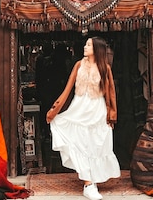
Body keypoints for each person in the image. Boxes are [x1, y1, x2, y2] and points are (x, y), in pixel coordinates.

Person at [46, 37, 120, 200]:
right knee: (78, 144)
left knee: (95, 146)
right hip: (78, 109)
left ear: (97, 49)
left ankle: (91, 183)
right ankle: (88, 184)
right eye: (86, 44)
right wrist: (55, 110)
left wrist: (112, 115)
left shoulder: (105, 68)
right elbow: (68, 89)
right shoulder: (78, 65)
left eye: (88, 45)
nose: (85, 47)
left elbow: (111, 93)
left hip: (97, 111)